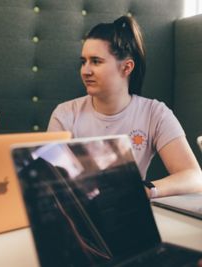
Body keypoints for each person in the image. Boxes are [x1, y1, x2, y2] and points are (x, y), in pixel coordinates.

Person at [47, 16, 202, 198]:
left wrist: (146, 190)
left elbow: (194, 177)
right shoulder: (65, 114)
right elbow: (48, 183)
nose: (85, 71)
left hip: (129, 215)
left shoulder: (155, 113)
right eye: (84, 61)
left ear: (127, 67)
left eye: (96, 61)